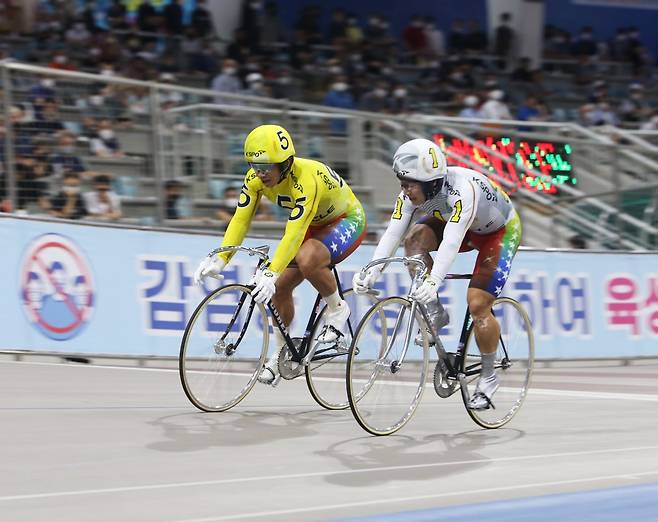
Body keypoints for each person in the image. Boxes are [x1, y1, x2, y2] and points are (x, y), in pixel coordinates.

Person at [352, 138, 522, 411]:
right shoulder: (412, 192)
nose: (404, 190)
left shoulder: (462, 191)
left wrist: (434, 281)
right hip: (460, 225)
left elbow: (452, 242)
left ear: (431, 183)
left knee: (478, 305)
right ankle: (435, 313)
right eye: (402, 183)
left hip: (497, 233)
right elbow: (394, 232)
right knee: (413, 241)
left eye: (409, 184)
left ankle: (488, 378)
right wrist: (373, 269)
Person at [193, 125, 367, 386]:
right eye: (255, 165)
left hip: (345, 219)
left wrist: (271, 272)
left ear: (285, 163)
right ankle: (281, 354)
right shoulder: (254, 180)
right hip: (312, 224)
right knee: (279, 289)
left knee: (308, 259)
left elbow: (294, 233)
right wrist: (222, 257)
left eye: (266, 167)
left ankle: (338, 309)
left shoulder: (305, 179)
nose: (260, 174)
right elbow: (240, 220)